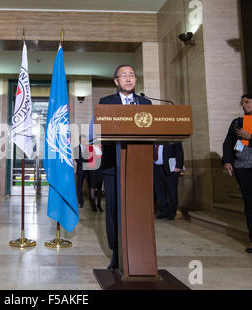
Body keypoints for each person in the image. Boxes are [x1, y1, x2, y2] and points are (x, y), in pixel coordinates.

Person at [98, 64, 152, 270]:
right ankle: (116, 252)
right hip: (113, 164)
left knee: (138, 207)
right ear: (116, 81)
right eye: (124, 75)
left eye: (132, 75)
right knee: (114, 209)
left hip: (139, 165)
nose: (128, 79)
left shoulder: (145, 103)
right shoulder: (106, 102)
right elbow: (100, 130)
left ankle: (138, 250)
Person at [222, 94, 252, 256]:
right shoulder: (238, 122)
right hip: (242, 166)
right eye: (243, 103)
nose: (244, 105)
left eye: (248, 102)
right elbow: (228, 142)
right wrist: (228, 161)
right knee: (250, 204)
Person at [153, 143, 184, 221]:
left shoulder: (172, 135)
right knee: (160, 192)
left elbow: (179, 151)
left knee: (172, 191)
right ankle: (164, 211)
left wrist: (179, 166)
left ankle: (172, 213)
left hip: (170, 167)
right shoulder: (154, 137)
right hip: (156, 167)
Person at [87, 141, 104, 213]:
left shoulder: (101, 147)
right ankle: (93, 204)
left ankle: (99, 204)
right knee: (92, 187)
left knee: (100, 187)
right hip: (92, 169)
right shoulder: (90, 147)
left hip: (100, 169)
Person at [74, 135, 90, 209]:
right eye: (82, 140)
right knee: (79, 187)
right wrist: (86, 161)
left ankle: (91, 201)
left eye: (85, 140)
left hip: (87, 171)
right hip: (80, 171)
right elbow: (78, 160)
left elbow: (90, 158)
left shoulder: (88, 148)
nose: (84, 142)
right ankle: (81, 201)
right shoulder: (76, 148)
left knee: (90, 186)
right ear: (80, 140)